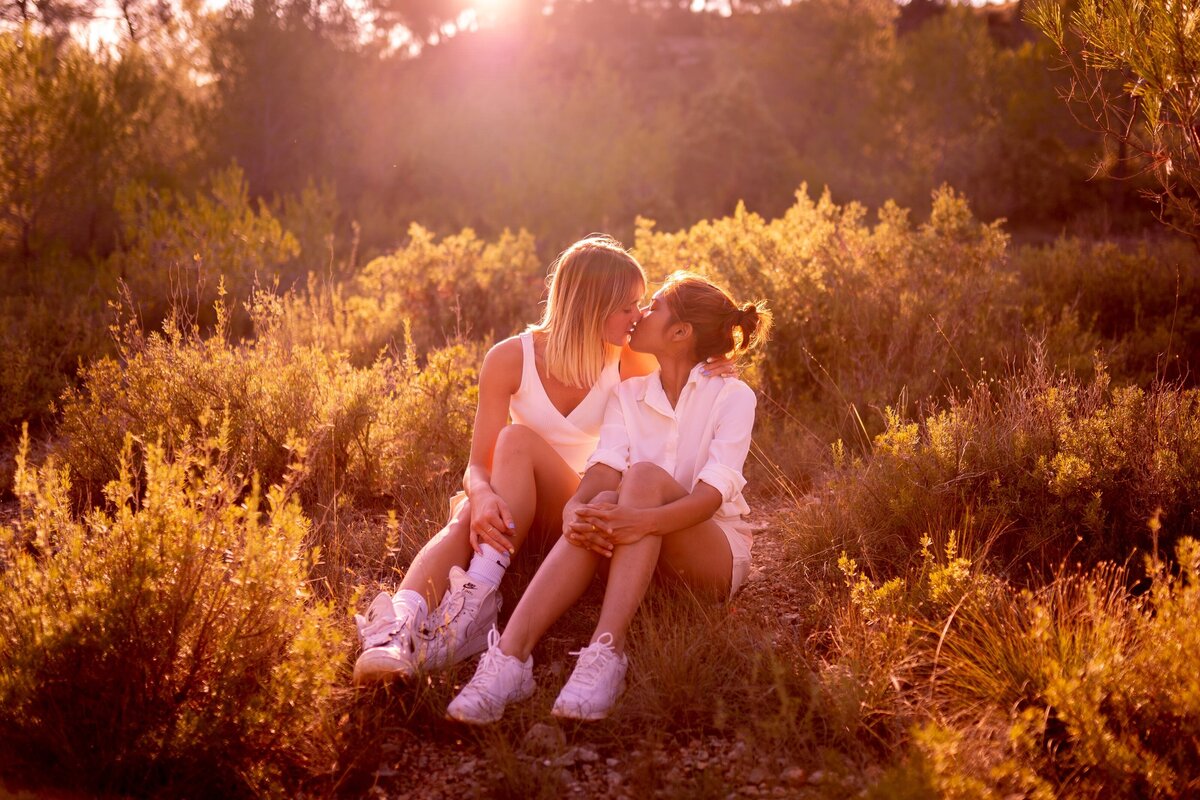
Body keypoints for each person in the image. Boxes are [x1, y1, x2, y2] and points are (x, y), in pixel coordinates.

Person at [353, 237, 732, 684]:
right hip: (517, 507)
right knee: (475, 507)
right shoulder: (511, 358)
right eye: (628, 306)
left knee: (514, 442)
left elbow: (680, 365)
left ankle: (475, 602)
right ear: (593, 304)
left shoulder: (628, 360)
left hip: (580, 509)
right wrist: (482, 494)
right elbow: (478, 465)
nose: (638, 317)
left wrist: (715, 364)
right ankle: (397, 629)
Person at [445, 271, 771, 724]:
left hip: (710, 553)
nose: (640, 314)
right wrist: (575, 507)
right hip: (639, 546)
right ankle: (508, 660)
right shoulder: (629, 393)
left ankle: (606, 653)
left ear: (680, 333)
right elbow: (603, 467)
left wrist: (644, 522)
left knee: (641, 481)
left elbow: (711, 498)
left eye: (654, 306)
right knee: (602, 500)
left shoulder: (732, 396)